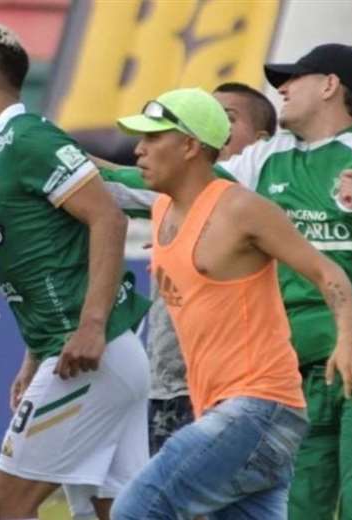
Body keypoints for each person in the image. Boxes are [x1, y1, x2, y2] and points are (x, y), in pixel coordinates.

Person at [101, 43, 352, 520]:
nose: (281, 88)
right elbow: (186, 181)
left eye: (293, 79)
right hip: (297, 367)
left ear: (329, 85)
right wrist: (64, 163)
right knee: (302, 511)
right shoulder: (265, 159)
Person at [0, 22, 151, 520]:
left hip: (88, 355)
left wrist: (91, 326)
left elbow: (108, 218)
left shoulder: (26, 139)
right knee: (112, 509)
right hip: (94, 353)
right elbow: (39, 253)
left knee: (6, 501)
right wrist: (33, 359)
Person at [145, 81, 277, 454]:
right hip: (166, 382)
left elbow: (322, 271)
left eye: (227, 119)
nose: (211, 128)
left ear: (262, 142)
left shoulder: (251, 209)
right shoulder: (169, 205)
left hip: (226, 388)